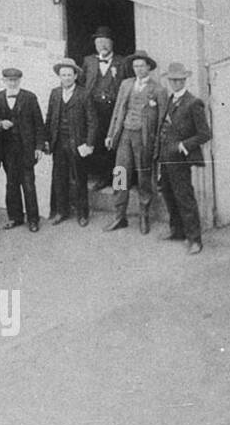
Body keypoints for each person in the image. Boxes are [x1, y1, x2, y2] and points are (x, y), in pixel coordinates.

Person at [103, 51, 167, 235]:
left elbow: (162, 120)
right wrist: (110, 134)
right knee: (120, 173)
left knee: (143, 177)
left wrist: (157, 144)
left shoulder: (158, 90)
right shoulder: (126, 84)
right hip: (125, 133)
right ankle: (119, 215)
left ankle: (144, 216)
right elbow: (117, 110)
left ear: (149, 67)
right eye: (135, 66)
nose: (138, 69)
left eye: (141, 66)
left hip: (144, 138)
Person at [154, 62, 211, 254]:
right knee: (168, 194)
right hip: (165, 156)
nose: (176, 83)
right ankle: (177, 231)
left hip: (179, 158)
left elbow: (205, 134)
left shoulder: (193, 103)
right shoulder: (171, 99)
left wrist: (183, 145)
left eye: (179, 80)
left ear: (185, 80)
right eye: (172, 80)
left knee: (184, 197)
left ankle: (195, 239)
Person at [43, 59, 96, 226]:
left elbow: (92, 121)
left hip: (78, 143)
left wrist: (89, 143)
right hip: (58, 142)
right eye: (63, 75)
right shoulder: (55, 93)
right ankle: (62, 211)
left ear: (75, 76)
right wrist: (46, 139)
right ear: (59, 76)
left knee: (80, 178)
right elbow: (49, 117)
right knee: (59, 178)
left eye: (69, 75)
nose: (66, 78)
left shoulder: (84, 93)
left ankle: (82, 214)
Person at [0, 67, 45, 232]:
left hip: (26, 149)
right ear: (4, 81)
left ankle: (33, 219)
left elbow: (39, 124)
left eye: (15, 80)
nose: (12, 83)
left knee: (28, 184)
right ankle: (15, 217)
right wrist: (0, 123)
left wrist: (39, 147)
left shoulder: (29, 97)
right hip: (6, 149)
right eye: (9, 80)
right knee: (11, 184)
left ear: (20, 81)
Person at [82, 26, 128, 190]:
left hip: (115, 109)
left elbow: (128, 84)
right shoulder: (88, 61)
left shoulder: (122, 62)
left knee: (118, 144)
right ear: (95, 44)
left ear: (112, 43)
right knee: (98, 143)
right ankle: (102, 178)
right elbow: (82, 83)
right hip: (94, 109)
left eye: (106, 41)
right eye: (99, 42)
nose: (103, 45)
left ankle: (120, 182)